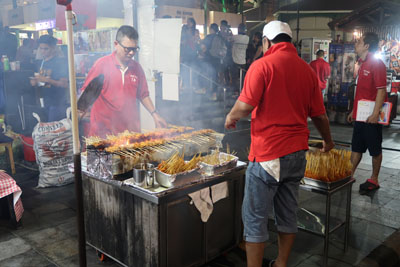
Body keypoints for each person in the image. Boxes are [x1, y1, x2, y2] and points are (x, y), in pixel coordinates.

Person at [225, 21, 334, 267]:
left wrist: (230, 116)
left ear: (266, 42)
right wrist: (328, 140)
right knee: (287, 213)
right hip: (297, 154)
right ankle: (281, 263)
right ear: (289, 41)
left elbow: (245, 106)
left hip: (268, 155)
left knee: (254, 218)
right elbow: (319, 115)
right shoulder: (307, 71)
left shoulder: (262, 65)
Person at [81, 25, 167, 137]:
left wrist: (155, 114)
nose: (131, 53)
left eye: (134, 49)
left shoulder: (137, 68)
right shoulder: (101, 65)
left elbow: (143, 94)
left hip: (130, 134)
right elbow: (86, 96)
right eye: (128, 49)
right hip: (104, 135)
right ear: (116, 44)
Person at [346, 32, 387, 194]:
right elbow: (362, 92)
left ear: (367, 46)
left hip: (371, 117)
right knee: (356, 147)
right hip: (360, 116)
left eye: (359, 42)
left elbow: (381, 90)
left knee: (375, 149)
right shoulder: (362, 63)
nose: (356, 44)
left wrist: (376, 113)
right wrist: (353, 111)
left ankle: (374, 179)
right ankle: (349, 175)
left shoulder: (376, 64)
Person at [30, 35, 69, 122]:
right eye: (41, 48)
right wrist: (36, 81)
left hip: (57, 103)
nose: (43, 51)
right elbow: (42, 80)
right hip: (44, 101)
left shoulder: (60, 62)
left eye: (46, 49)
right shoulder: (41, 62)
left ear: (53, 48)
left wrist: (46, 80)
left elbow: (64, 84)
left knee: (54, 132)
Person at [231, 23, 249, 91]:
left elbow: (230, 40)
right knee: (242, 78)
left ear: (239, 29)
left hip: (235, 61)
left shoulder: (235, 37)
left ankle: (235, 91)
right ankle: (242, 90)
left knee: (234, 78)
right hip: (243, 61)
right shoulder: (247, 38)